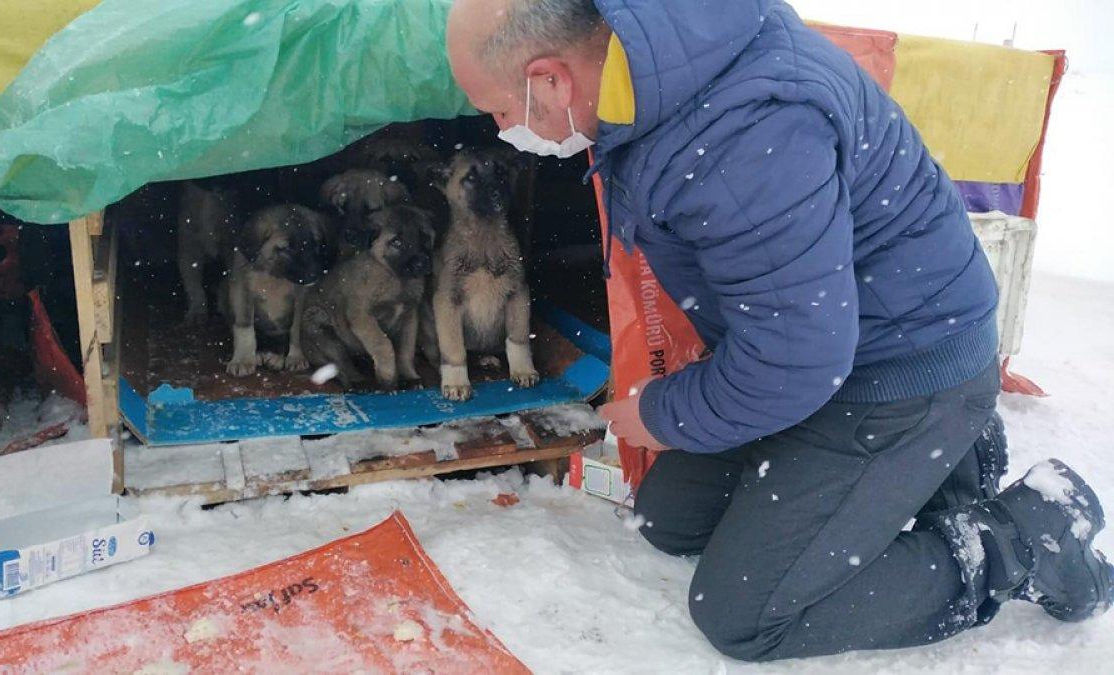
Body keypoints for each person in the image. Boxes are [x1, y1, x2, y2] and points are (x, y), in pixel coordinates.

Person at [446, 0, 1113, 663]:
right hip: (833, 343)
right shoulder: (653, 64)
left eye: (498, 109)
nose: (502, 129)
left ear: (550, 79)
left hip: (901, 366)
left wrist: (663, 412)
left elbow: (796, 360)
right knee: (669, 518)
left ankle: (1024, 536)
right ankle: (940, 463)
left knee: (745, 610)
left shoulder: (742, 139)